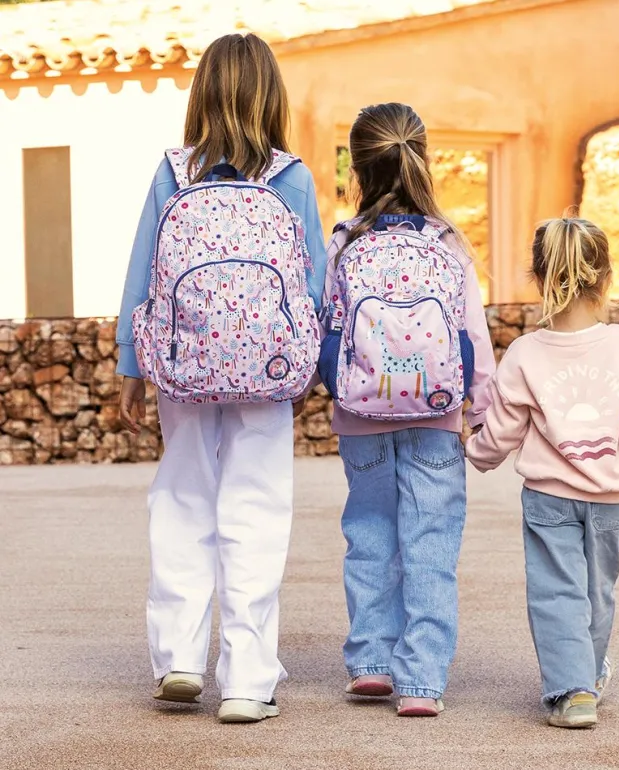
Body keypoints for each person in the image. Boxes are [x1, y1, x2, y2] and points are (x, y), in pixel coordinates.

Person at [115, 33, 326, 724]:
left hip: (184, 366)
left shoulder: (173, 172)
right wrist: (310, 365)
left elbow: (144, 269)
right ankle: (246, 681)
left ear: (200, 93)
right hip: (267, 371)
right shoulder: (291, 178)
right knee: (256, 510)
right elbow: (314, 284)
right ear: (272, 97)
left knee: (182, 497)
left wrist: (130, 362)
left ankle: (179, 658)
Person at [465, 217, 619, 728]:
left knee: (556, 591)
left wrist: (476, 453)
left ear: (540, 278)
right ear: (605, 278)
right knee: (597, 590)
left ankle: (574, 690)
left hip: (548, 498)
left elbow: (502, 430)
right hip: (612, 498)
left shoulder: (524, 353)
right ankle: (586, 675)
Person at [319, 102, 495, 717]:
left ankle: (371, 660)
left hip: (361, 417)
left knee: (369, 534)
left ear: (357, 169)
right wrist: (481, 413)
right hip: (436, 418)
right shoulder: (447, 243)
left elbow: (328, 327)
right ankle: (420, 680)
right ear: (423, 160)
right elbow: (474, 337)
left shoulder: (345, 242)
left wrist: (326, 388)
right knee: (431, 545)